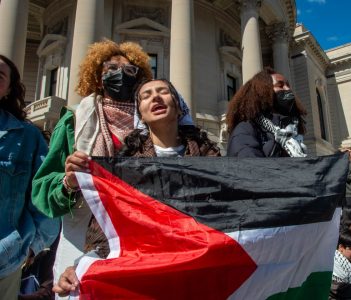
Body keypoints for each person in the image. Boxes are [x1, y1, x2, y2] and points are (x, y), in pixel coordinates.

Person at [52, 79, 221, 297]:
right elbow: (108, 227)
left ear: (179, 107)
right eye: (146, 95)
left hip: (197, 271)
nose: (156, 97)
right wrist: (84, 266)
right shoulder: (125, 166)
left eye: (163, 92)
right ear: (140, 113)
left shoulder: (211, 159)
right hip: (148, 271)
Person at [31, 40, 153, 295]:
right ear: (97, 78)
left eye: (130, 71)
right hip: (81, 237)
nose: (121, 75)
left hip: (140, 237)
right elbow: (42, 191)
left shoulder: (152, 124)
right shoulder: (73, 121)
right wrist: (67, 182)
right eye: (111, 68)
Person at [0, 55, 60, 300]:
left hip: (4, 259)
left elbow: (45, 198)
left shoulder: (27, 137)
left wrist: (29, 247)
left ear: (8, 89)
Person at [226, 67, 307, 158]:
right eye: (280, 86)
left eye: (288, 85)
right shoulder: (245, 129)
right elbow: (251, 167)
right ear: (263, 91)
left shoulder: (293, 133)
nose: (288, 89)